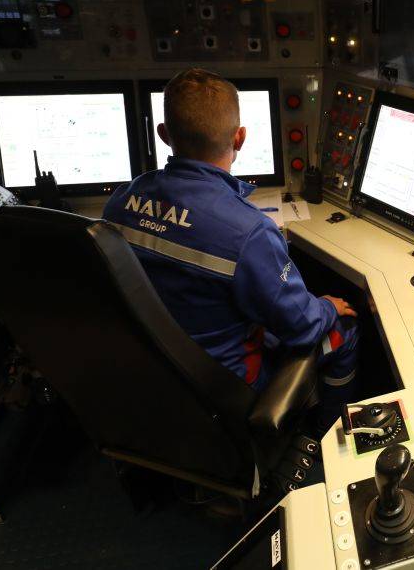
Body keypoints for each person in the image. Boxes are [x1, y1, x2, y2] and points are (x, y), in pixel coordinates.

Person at [103, 68, 359, 430]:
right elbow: (302, 328)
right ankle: (324, 444)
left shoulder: (121, 202)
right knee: (343, 327)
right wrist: (327, 307)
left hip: (154, 372)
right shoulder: (249, 232)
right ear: (240, 138)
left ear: (163, 135)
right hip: (224, 386)